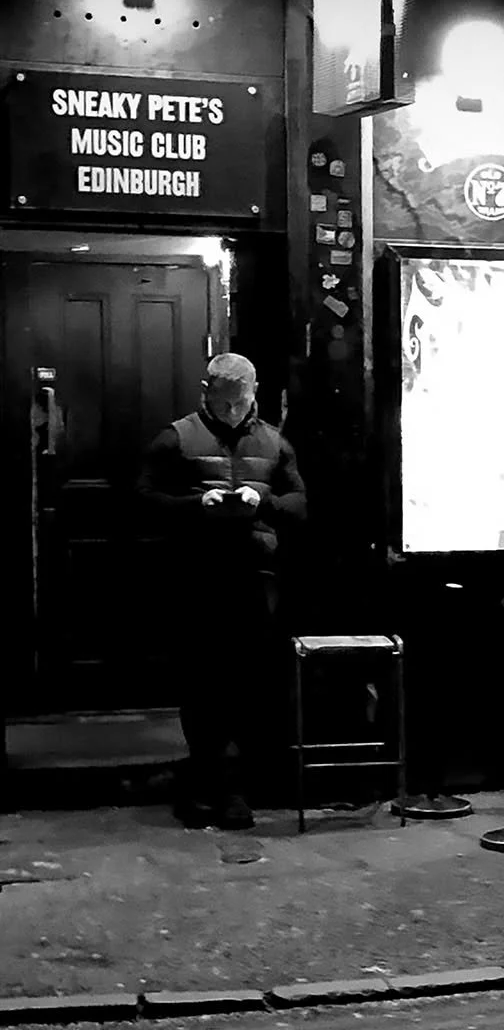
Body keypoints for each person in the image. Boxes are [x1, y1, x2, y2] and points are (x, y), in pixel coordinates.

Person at [138, 353, 307, 830]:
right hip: (197, 578)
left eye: (241, 402)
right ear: (205, 392)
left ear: (255, 393)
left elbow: (300, 506)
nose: (232, 412)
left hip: (256, 580)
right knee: (201, 687)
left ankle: (235, 790)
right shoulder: (175, 438)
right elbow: (143, 501)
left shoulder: (275, 443)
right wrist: (198, 505)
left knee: (248, 687)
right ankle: (204, 787)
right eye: (224, 402)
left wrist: (265, 501)